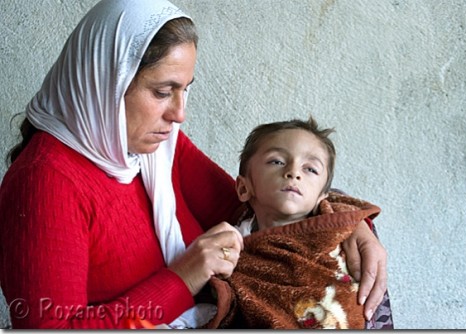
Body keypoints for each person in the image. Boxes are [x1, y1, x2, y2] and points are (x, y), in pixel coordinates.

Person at [0, 0, 387, 329]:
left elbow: (257, 200)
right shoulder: (45, 183)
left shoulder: (155, 147)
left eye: (185, 90)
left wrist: (347, 223)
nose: (179, 114)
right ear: (105, 83)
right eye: (162, 91)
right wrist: (183, 278)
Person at [199, 118, 391, 329]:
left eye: (310, 169)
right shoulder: (229, 242)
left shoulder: (340, 229)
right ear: (244, 189)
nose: (293, 172)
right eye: (277, 161)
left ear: (322, 197)